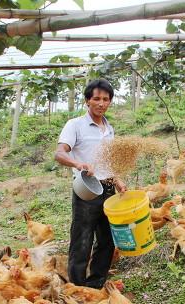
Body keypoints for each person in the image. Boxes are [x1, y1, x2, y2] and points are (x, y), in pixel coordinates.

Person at [54, 78, 127, 289]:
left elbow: (108, 161)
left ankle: (95, 285)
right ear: (87, 100)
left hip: (108, 189)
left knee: (107, 240)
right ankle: (77, 287)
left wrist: (118, 180)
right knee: (82, 239)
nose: (101, 103)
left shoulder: (109, 129)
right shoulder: (75, 125)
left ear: (110, 102)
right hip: (86, 188)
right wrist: (78, 164)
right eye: (96, 98)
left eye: (106, 99)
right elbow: (60, 153)